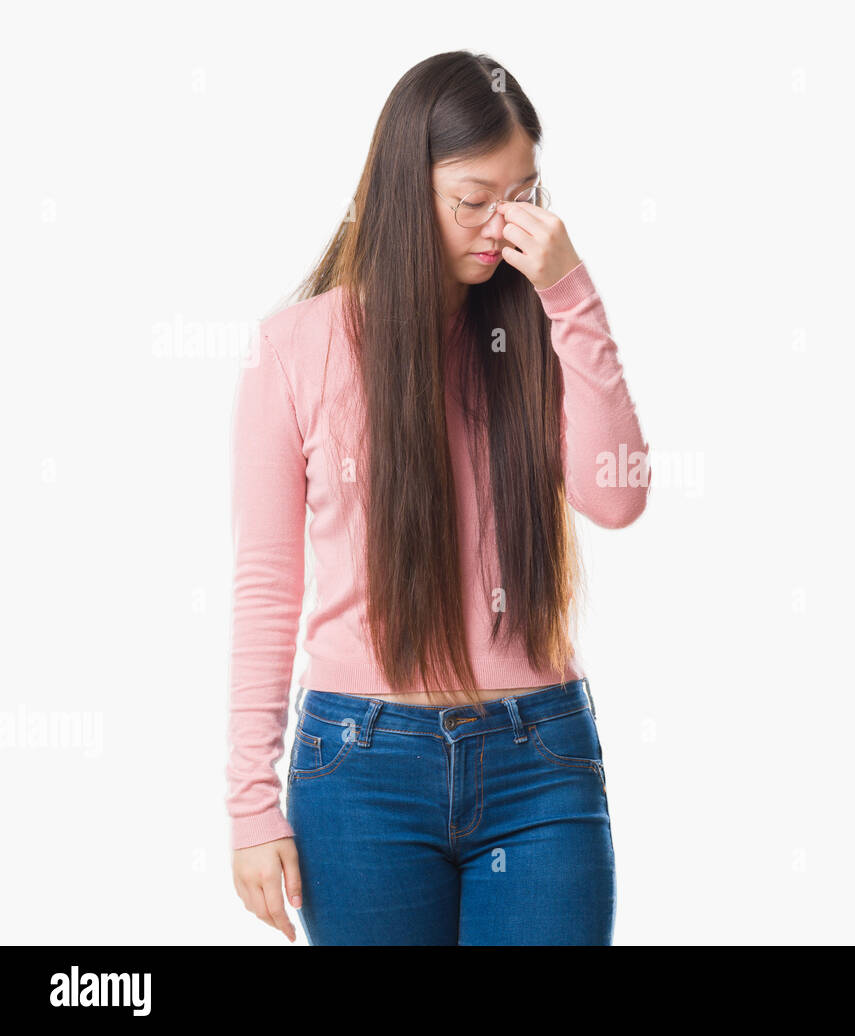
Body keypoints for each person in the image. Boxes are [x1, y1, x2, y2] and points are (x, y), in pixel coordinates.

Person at [225, 50, 651, 945]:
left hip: (540, 763)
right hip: (359, 771)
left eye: (524, 194)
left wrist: (570, 291)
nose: (503, 226)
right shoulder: (295, 349)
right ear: (401, 192)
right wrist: (250, 808)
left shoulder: (538, 325)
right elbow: (267, 587)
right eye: (472, 199)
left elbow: (617, 500)